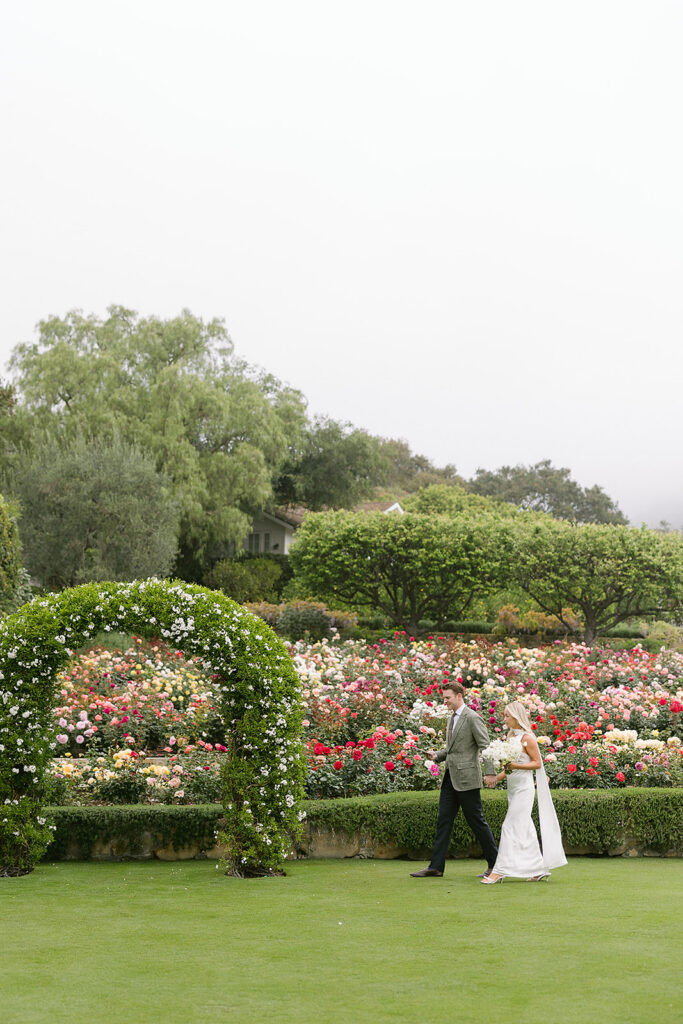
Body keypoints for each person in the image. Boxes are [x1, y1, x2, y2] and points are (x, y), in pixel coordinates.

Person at [410, 681, 499, 878]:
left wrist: (490, 772)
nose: (445, 701)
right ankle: (436, 867)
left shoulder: (472, 717)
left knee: (476, 822)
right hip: (450, 778)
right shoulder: (453, 718)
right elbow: (454, 749)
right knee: (443, 821)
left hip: (467, 779)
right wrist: (438, 755)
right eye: (444, 698)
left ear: (460, 696)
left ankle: (496, 864)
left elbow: (486, 746)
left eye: (448, 698)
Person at [481, 700, 567, 884]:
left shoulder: (528, 738)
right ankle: (538, 869)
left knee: (509, 826)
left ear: (516, 717)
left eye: (507, 715)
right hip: (512, 788)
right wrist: (496, 778)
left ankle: (499, 870)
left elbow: (537, 763)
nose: (504, 719)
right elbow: (510, 768)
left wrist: (515, 765)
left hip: (524, 789)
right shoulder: (511, 738)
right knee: (526, 829)